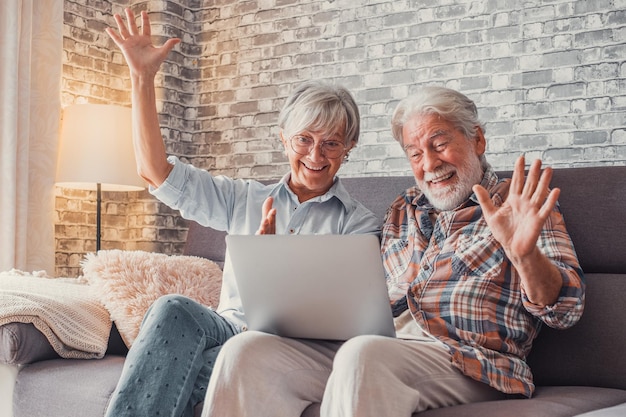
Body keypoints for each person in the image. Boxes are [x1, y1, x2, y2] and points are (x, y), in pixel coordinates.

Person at [200, 86, 585, 417]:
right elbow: (353, 293)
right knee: (246, 352)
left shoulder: (518, 207)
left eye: (439, 144)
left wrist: (524, 256)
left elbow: (566, 309)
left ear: (477, 140)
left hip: (471, 361)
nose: (429, 163)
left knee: (364, 355)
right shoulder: (404, 209)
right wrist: (279, 271)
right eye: (415, 153)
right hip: (384, 346)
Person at [104, 8, 379, 417]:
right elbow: (155, 173)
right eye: (304, 139)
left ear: (349, 147)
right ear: (284, 138)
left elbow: (351, 320)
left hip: (287, 348)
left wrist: (273, 271)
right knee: (172, 308)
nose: (316, 155)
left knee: (208, 364)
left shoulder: (358, 224)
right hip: (228, 328)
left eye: (332, 143)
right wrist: (142, 78)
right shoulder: (243, 200)